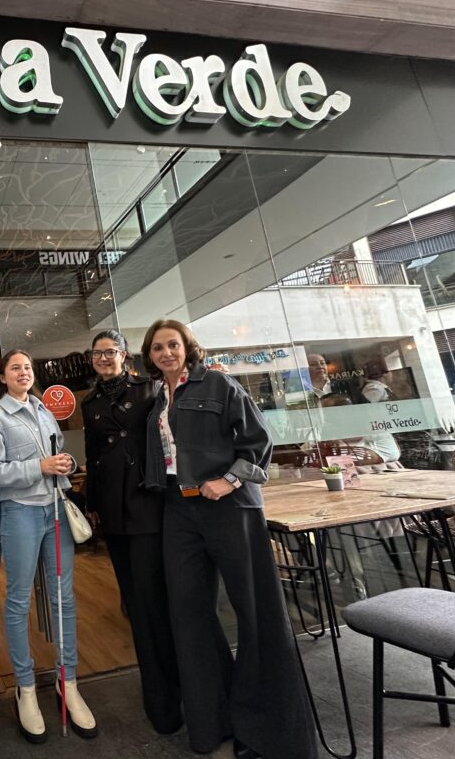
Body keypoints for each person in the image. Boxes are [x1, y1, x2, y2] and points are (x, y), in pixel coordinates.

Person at [142, 319, 317, 759]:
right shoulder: (157, 397)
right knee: (189, 615)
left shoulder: (218, 384)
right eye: (158, 347)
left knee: (256, 612)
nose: (166, 353)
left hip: (228, 505)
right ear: (149, 356)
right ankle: (212, 721)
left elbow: (258, 441)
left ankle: (267, 732)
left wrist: (228, 481)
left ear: (188, 348)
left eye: (173, 345)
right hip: (179, 508)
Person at [0, 350, 96, 743]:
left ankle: (68, 681)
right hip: (20, 514)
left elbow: (56, 454)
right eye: (15, 367)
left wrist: (65, 464)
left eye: (28, 367)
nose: (24, 372)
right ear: (2, 377)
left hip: (56, 511)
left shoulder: (45, 410)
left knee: (64, 598)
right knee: (18, 600)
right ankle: (25, 687)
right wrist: (39, 467)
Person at [81, 330, 182, 735]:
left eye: (111, 352)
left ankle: (178, 692)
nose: (104, 358)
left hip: (148, 502)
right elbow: (93, 455)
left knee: (156, 600)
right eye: (98, 354)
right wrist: (91, 504)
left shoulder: (150, 389)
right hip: (113, 509)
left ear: (124, 355)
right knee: (136, 604)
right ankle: (158, 698)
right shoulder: (90, 402)